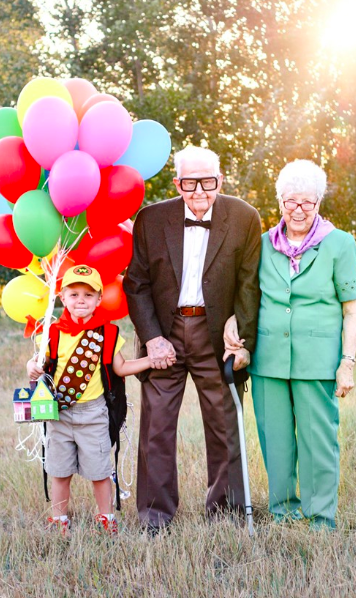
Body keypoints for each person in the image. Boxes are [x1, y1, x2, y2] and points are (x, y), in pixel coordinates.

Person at [123, 144, 262, 532]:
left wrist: (243, 337)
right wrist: (151, 338)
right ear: (177, 182)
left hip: (217, 334)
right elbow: (136, 284)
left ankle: (227, 512)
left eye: (208, 182)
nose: (200, 191)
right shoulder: (151, 219)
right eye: (190, 182)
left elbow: (250, 285)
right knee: (157, 427)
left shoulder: (244, 217)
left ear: (220, 179)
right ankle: (156, 516)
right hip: (164, 336)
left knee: (223, 422)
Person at [224, 159, 356, 529]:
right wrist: (233, 321)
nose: (299, 210)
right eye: (291, 202)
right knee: (276, 442)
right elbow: (248, 292)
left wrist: (346, 361)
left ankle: (320, 517)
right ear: (280, 201)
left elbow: (352, 310)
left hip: (317, 360)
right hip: (268, 359)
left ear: (319, 202)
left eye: (308, 202)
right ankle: (284, 511)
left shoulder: (340, 244)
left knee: (319, 442)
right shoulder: (264, 243)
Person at [26, 264, 170, 535]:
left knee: (100, 471)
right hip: (60, 414)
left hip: (94, 414)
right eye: (74, 294)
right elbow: (39, 364)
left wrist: (151, 360)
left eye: (88, 295)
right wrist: (30, 366)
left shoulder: (108, 333)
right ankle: (59, 518)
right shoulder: (52, 332)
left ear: (99, 299)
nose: (81, 300)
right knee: (59, 470)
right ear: (62, 297)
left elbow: (120, 367)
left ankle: (105, 516)